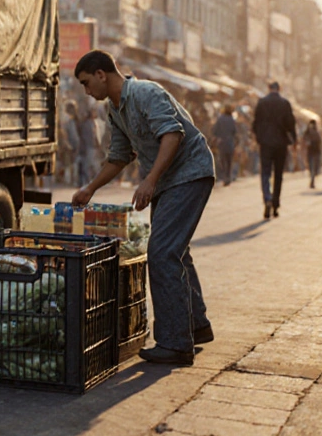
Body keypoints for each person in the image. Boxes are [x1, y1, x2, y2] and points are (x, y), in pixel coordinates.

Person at [69, 50, 215, 366]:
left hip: (190, 172)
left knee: (161, 252)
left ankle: (175, 344)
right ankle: (196, 325)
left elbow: (173, 134)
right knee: (176, 251)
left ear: (100, 75)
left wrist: (149, 180)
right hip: (168, 180)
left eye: (85, 83)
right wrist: (90, 189)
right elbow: (120, 156)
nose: (86, 91)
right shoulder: (114, 109)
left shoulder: (146, 92)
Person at [252, 82, 297, 219]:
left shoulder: (262, 103)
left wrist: (259, 137)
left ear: (269, 88)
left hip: (265, 143)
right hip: (280, 144)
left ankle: (267, 198)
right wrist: (294, 140)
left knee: (265, 172)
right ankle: (276, 205)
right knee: (278, 174)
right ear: (279, 89)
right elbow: (291, 123)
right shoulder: (285, 103)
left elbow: (255, 124)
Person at [211, 105, 238, 186]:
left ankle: (224, 177)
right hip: (230, 142)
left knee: (222, 160)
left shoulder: (220, 119)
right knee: (229, 161)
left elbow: (214, 131)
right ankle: (228, 177)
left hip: (221, 142)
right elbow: (235, 131)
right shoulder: (232, 119)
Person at [304, 118, 322, 189]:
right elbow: (320, 141)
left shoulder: (308, 132)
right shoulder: (316, 131)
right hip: (315, 151)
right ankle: (312, 179)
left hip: (312, 151)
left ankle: (312, 179)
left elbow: (304, 140)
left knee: (312, 166)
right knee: (314, 167)